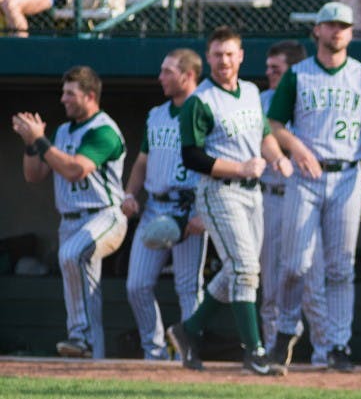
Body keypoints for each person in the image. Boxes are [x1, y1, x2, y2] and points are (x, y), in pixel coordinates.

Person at [266, 2, 361, 372]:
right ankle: (285, 333)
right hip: (306, 176)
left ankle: (338, 344)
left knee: (339, 268)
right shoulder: (298, 74)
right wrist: (296, 147)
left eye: (344, 25)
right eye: (330, 25)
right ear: (316, 30)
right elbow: (274, 123)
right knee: (295, 264)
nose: (337, 31)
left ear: (351, 32)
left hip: (347, 175)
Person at [166, 26, 294, 376]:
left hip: (252, 192)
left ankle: (188, 329)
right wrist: (239, 166)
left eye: (229, 53)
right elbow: (191, 156)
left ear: (240, 56)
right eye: (217, 54)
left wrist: (279, 157)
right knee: (244, 270)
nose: (223, 60)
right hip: (219, 190)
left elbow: (264, 134)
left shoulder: (252, 91)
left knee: (239, 269)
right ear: (208, 58)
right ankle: (254, 352)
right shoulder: (201, 100)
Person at [12, 65, 127, 358]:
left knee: (71, 255)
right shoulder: (63, 130)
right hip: (70, 220)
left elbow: (75, 170)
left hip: (104, 215)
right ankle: (93, 361)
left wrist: (40, 140)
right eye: (63, 92)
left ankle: (81, 338)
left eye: (70, 93)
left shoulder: (104, 129)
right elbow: (35, 174)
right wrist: (30, 145)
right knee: (85, 294)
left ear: (90, 96)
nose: (63, 99)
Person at [122, 48, 207, 361]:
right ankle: (154, 351)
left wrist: (204, 213)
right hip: (156, 206)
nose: (160, 78)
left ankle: (189, 353)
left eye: (168, 71)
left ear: (187, 75)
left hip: (189, 207)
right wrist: (130, 193)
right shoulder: (157, 114)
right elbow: (142, 162)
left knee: (188, 287)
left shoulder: (206, 111)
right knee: (136, 286)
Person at [259, 39, 331, 367]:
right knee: (272, 287)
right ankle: (275, 355)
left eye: (278, 69)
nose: (270, 74)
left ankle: (326, 353)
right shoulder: (259, 102)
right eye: (269, 68)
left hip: (303, 197)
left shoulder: (310, 100)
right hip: (271, 200)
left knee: (313, 284)